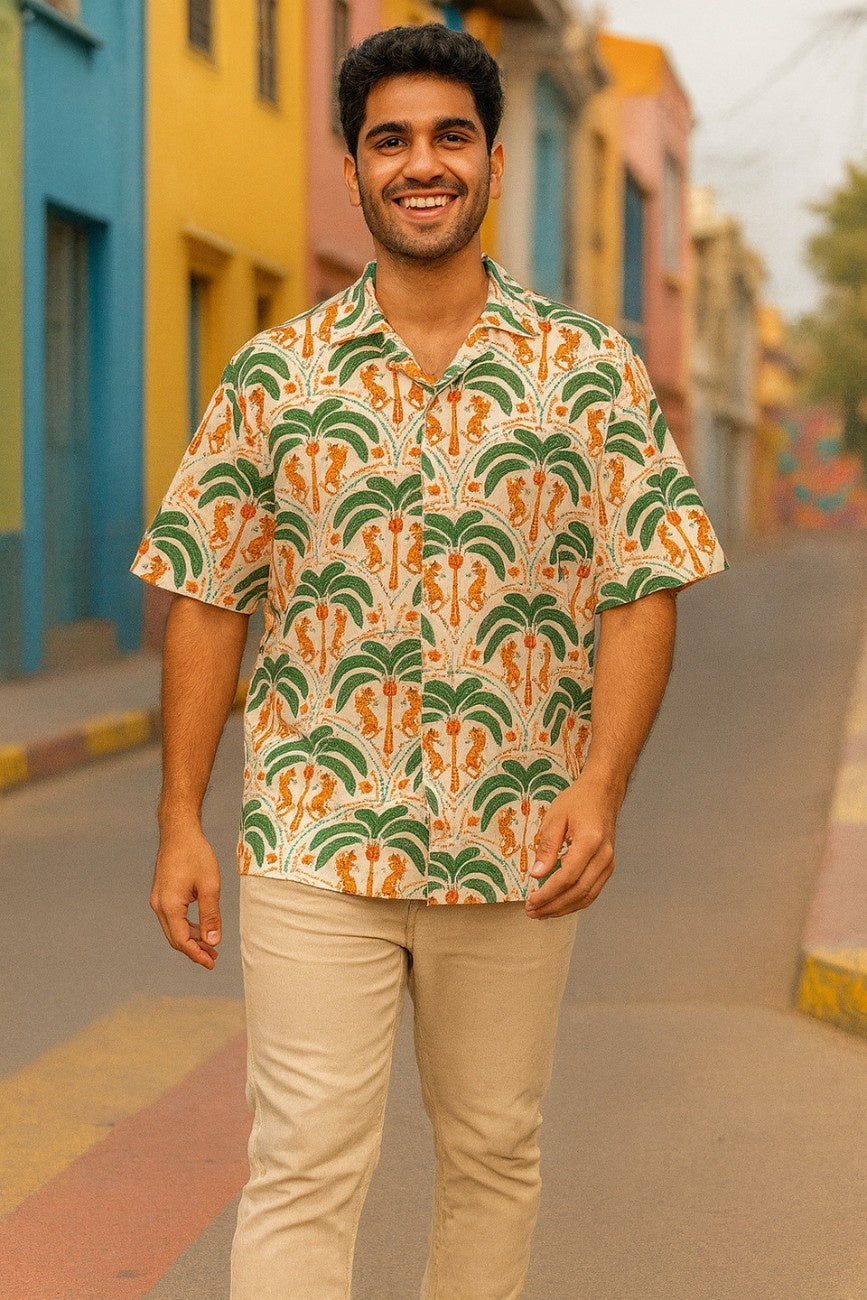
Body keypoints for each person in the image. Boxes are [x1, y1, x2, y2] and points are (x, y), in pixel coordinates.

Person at [131, 23, 728, 1300]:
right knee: (300, 1160)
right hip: (312, 836)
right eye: (390, 139)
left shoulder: (591, 373)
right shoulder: (273, 377)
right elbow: (207, 595)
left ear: (495, 164)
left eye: (450, 137)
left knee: (495, 1151)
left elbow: (644, 583)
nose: (422, 163)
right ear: (352, 168)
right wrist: (181, 813)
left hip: (518, 840)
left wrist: (602, 787)